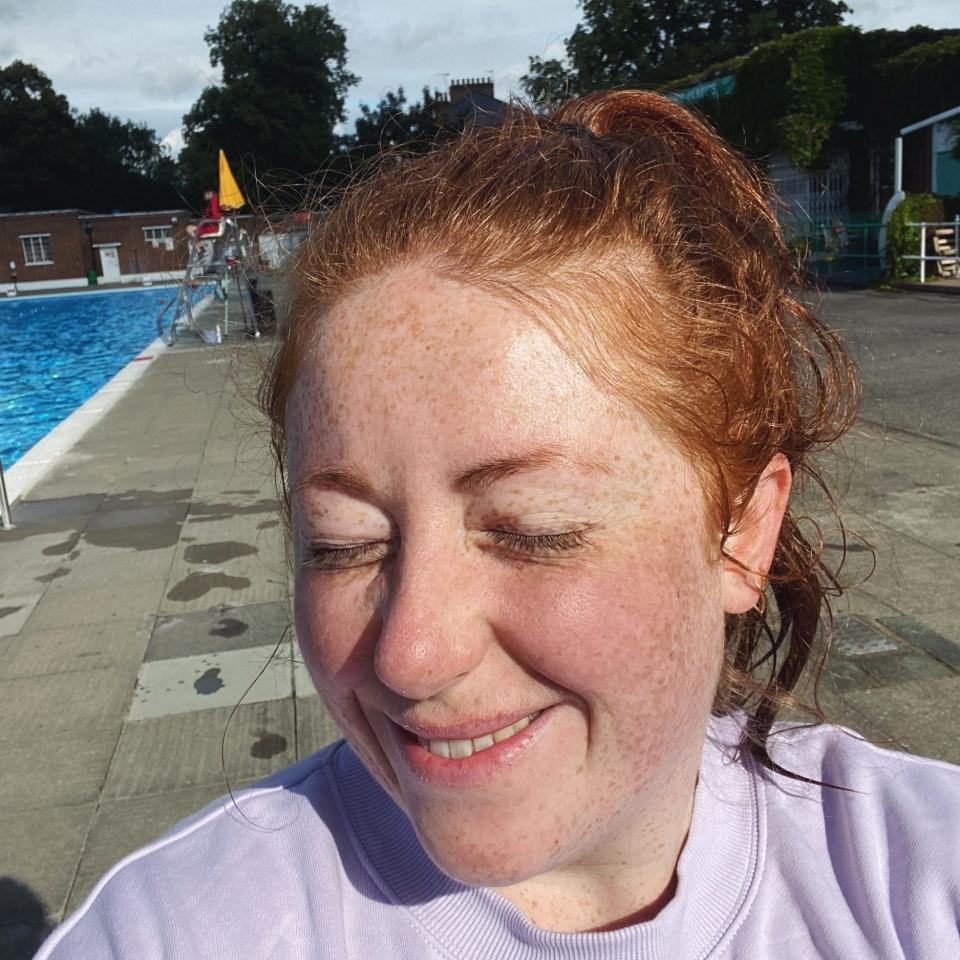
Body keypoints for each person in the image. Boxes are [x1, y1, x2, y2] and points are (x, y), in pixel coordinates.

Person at [35, 91, 960, 958]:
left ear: (743, 529)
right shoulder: (175, 931)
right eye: (340, 542)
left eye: (531, 529)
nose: (410, 655)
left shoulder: (916, 881)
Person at [185, 187, 223, 264]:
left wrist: (207, 221)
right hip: (209, 225)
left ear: (209, 193)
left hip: (212, 227)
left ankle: (199, 248)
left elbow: (215, 215)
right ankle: (199, 246)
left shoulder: (214, 200)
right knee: (189, 228)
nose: (204, 196)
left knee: (189, 229)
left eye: (204, 194)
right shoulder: (214, 199)